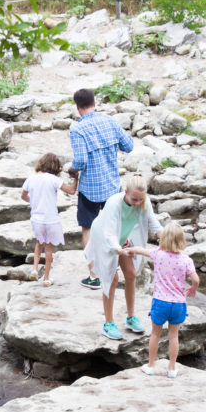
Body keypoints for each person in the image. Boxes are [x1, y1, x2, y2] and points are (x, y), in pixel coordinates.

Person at [69, 87, 134, 290]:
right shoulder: (110, 122)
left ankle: (94, 276)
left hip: (89, 189)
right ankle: (120, 270)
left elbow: (80, 160)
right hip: (112, 186)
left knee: (88, 228)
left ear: (78, 107)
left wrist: (72, 170)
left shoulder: (78, 130)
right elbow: (129, 146)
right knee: (115, 227)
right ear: (95, 103)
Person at [83, 175, 162, 341]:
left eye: (141, 199)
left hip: (122, 236)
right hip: (104, 238)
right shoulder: (114, 203)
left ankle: (131, 318)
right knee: (111, 278)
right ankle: (108, 323)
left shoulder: (144, 202)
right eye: (134, 199)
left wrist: (166, 241)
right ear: (125, 192)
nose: (137, 203)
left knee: (131, 274)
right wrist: (118, 250)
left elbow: (153, 223)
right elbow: (109, 233)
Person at [126, 222, 199, 379]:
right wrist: (193, 288)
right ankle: (172, 368)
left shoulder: (158, 254)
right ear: (181, 240)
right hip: (178, 303)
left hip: (160, 302)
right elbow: (196, 279)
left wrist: (130, 250)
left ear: (163, 239)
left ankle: (151, 365)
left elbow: (141, 250)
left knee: (155, 334)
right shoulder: (186, 260)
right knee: (174, 336)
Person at [21, 153, 78, 286]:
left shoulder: (31, 179)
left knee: (38, 243)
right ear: (55, 167)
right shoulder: (54, 179)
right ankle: (46, 279)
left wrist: (32, 202)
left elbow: (23, 196)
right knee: (48, 249)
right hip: (51, 220)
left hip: (36, 219)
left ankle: (34, 270)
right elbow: (71, 191)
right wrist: (76, 179)